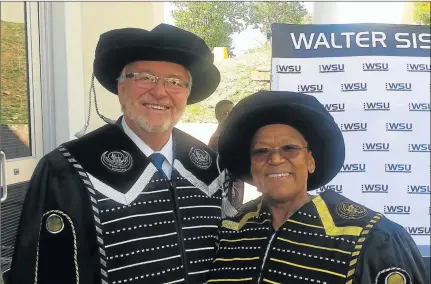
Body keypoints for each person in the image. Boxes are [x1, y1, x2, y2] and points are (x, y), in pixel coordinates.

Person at [8, 24, 237, 284]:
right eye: (144, 78)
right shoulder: (69, 168)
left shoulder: (209, 167)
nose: (160, 91)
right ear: (121, 88)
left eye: (175, 82)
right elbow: (45, 271)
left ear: (187, 94)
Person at [206, 90, 429, 284]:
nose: (275, 160)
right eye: (261, 151)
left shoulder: (372, 236)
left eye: (290, 148)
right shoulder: (232, 232)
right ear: (252, 165)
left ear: (311, 161)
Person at [209, 100, 244, 209]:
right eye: (225, 113)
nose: (229, 116)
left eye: (232, 113)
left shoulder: (232, 134)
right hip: (227, 188)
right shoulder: (218, 140)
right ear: (217, 116)